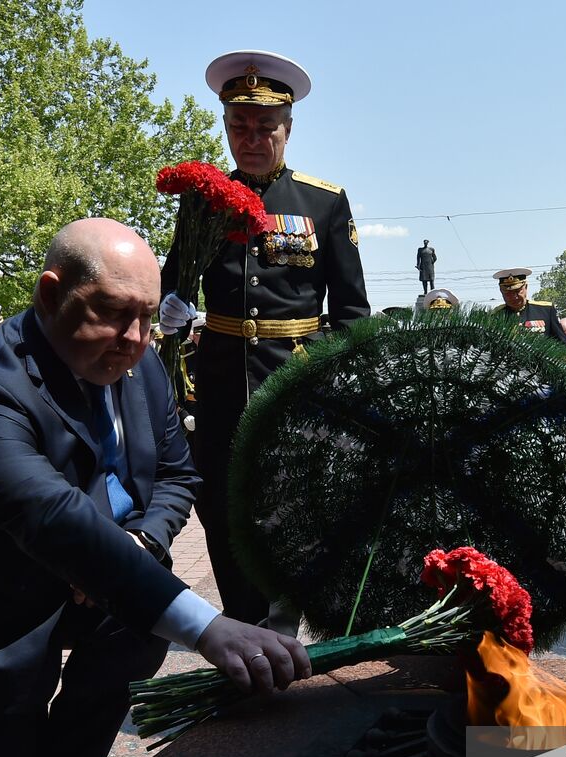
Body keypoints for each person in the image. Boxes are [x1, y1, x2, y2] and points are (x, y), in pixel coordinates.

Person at [0, 219, 309, 757]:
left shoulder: (143, 364)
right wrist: (210, 628)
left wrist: (137, 544)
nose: (134, 338)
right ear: (50, 295)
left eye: (149, 316)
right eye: (111, 311)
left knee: (135, 628)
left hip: (98, 581)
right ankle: (3, 740)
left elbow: (178, 477)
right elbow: (53, 518)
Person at [159, 50, 370, 634]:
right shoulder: (203, 198)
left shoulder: (322, 202)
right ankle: (243, 614)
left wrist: (343, 390)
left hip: (296, 378)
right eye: (238, 126)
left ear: (288, 128)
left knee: (295, 503)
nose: (251, 138)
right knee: (222, 504)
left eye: (265, 126)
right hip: (222, 379)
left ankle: (284, 614)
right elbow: (176, 275)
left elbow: (351, 310)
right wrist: (171, 303)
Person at [492, 268, 566, 345]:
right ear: (501, 291)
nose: (514, 296)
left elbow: (562, 345)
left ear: (526, 287)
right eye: (508, 293)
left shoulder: (546, 310)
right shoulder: (496, 316)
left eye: (517, 291)